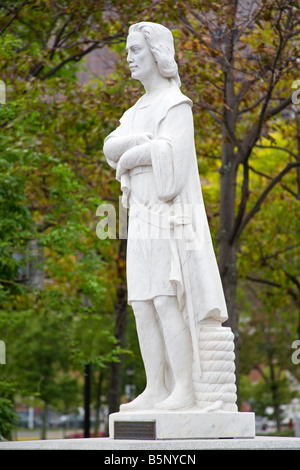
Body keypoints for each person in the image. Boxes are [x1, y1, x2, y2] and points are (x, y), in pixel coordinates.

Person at [103, 22, 228, 411]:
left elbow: (171, 166)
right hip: (138, 219)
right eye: (126, 51)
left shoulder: (176, 105)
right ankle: (156, 387)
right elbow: (109, 148)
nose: (128, 58)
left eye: (135, 50)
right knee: (141, 302)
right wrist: (140, 144)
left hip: (167, 217)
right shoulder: (135, 111)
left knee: (164, 299)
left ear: (157, 53)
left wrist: (132, 155)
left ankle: (185, 391)